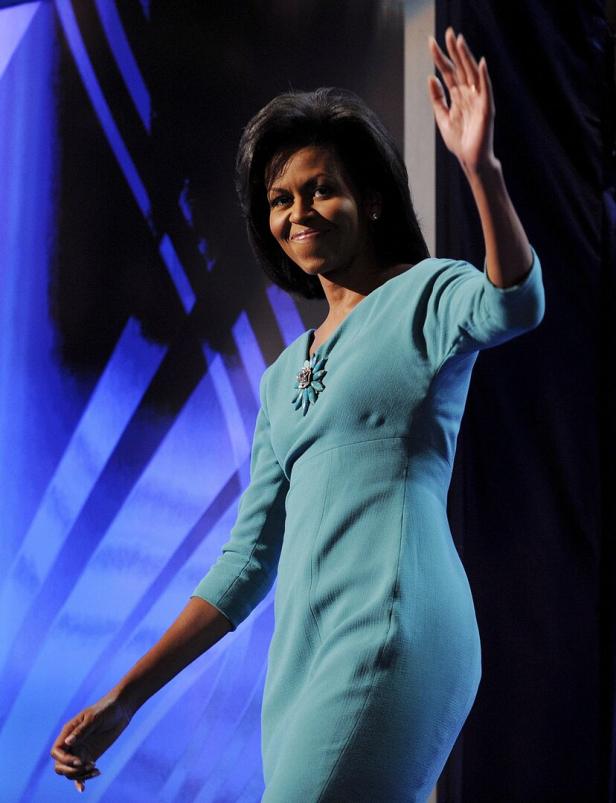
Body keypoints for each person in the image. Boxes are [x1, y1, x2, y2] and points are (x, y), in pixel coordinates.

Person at [51, 27, 545, 801]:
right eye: (280, 200)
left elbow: (516, 303)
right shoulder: (286, 376)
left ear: (371, 198)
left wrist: (482, 171)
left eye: (319, 188)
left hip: (395, 626)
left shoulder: (425, 293)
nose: (298, 211)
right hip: (302, 666)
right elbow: (246, 563)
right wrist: (125, 698)